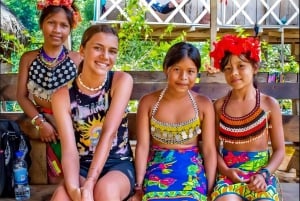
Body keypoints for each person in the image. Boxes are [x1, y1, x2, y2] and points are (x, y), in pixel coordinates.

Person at [50, 24, 135, 201]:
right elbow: (69, 150)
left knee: (105, 191)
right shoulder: (62, 96)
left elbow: (109, 133)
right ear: (82, 50)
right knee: (61, 197)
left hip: (117, 163)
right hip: (80, 166)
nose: (105, 56)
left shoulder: (120, 81)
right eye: (98, 48)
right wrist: (75, 190)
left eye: (112, 51)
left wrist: (90, 183)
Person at [131, 42, 217, 201]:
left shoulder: (203, 104)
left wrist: (210, 189)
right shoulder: (148, 102)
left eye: (190, 71)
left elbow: (210, 149)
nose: (183, 77)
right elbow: (142, 147)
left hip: (191, 172)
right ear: (166, 69)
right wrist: (139, 183)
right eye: (177, 70)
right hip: (157, 169)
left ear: (197, 73)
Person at [209, 34, 285, 201]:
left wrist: (264, 174)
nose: (234, 73)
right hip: (228, 175)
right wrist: (226, 171)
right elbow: (213, 148)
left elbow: (280, 150)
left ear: (255, 67)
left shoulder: (269, 105)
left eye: (241, 66)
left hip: (261, 177)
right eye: (228, 68)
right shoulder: (219, 106)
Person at [16, 0, 82, 184]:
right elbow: (21, 96)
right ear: (42, 24)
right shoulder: (28, 58)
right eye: (52, 23)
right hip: (40, 120)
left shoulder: (77, 59)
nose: (57, 30)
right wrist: (41, 122)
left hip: (69, 121)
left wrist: (62, 122)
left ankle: (71, 185)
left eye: (64, 25)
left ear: (70, 29)